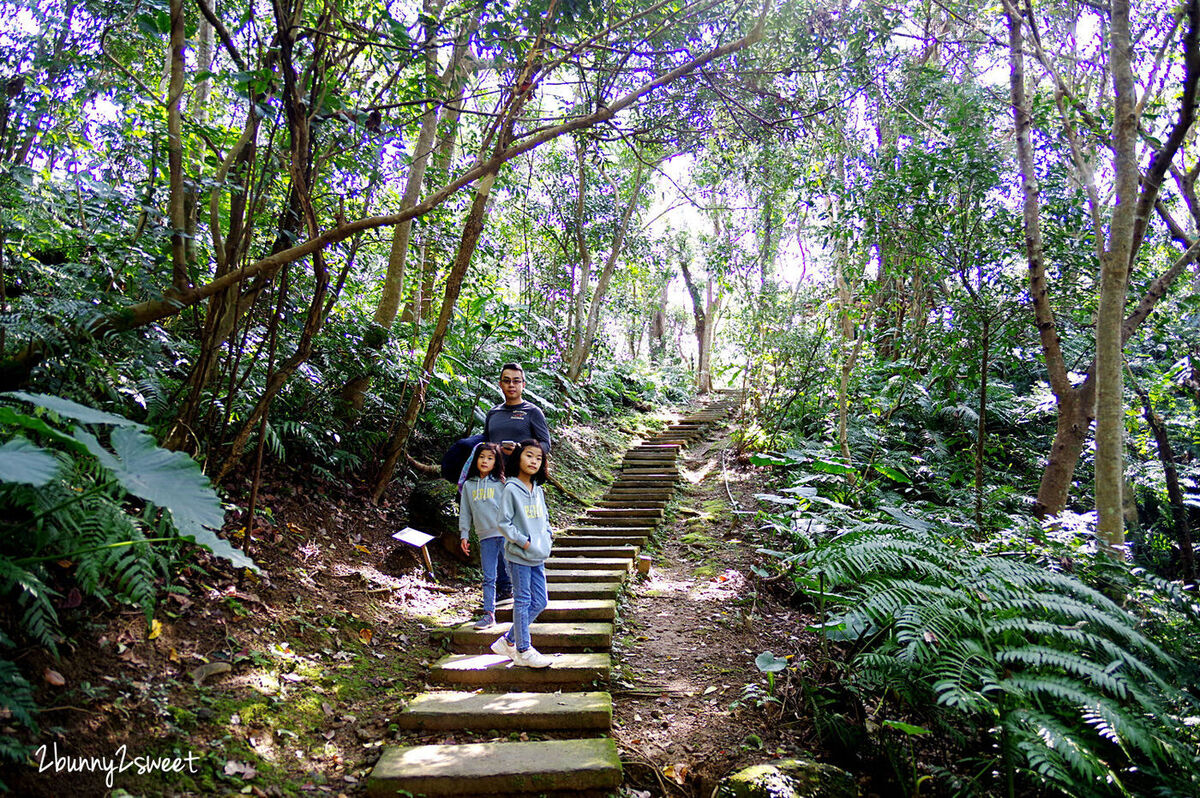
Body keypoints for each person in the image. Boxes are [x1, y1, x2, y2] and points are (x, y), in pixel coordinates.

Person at [489, 439, 555, 668]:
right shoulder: (511, 488)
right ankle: (523, 649)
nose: (534, 461)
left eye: (538, 458)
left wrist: (546, 538)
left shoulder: (537, 490)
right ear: (518, 457)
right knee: (523, 600)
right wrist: (524, 542)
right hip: (519, 556)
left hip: (538, 555)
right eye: (529, 455)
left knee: (540, 601)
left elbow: (544, 519)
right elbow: (503, 523)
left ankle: (508, 640)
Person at [458, 442, 508, 630]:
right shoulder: (469, 486)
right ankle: (489, 614)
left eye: (490, 458)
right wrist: (464, 534)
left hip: (505, 535)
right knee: (489, 577)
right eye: (482, 457)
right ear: (475, 460)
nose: (485, 461)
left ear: (496, 462)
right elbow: (465, 512)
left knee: (513, 571)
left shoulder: (502, 484)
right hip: (484, 537)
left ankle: (524, 608)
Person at [484, 363, 551, 474]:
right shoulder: (493, 412)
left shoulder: (533, 412)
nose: (511, 385)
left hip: (521, 476)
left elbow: (545, 444)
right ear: (500, 384)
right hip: (493, 476)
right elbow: (486, 440)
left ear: (523, 384)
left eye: (516, 381)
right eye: (506, 381)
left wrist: (521, 451)